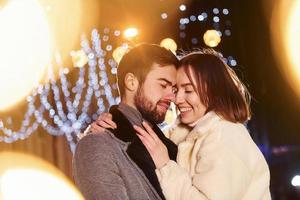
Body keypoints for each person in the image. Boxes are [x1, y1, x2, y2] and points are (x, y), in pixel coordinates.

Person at [92, 49, 271, 200]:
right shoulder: (183, 135)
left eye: (188, 90)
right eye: (176, 90)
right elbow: (133, 141)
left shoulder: (225, 135)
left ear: (214, 92)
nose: (176, 99)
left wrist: (165, 166)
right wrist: (105, 126)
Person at [72, 43, 179, 200]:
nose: (172, 97)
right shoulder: (96, 144)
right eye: (163, 85)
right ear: (131, 82)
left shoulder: (169, 144)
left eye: (174, 89)